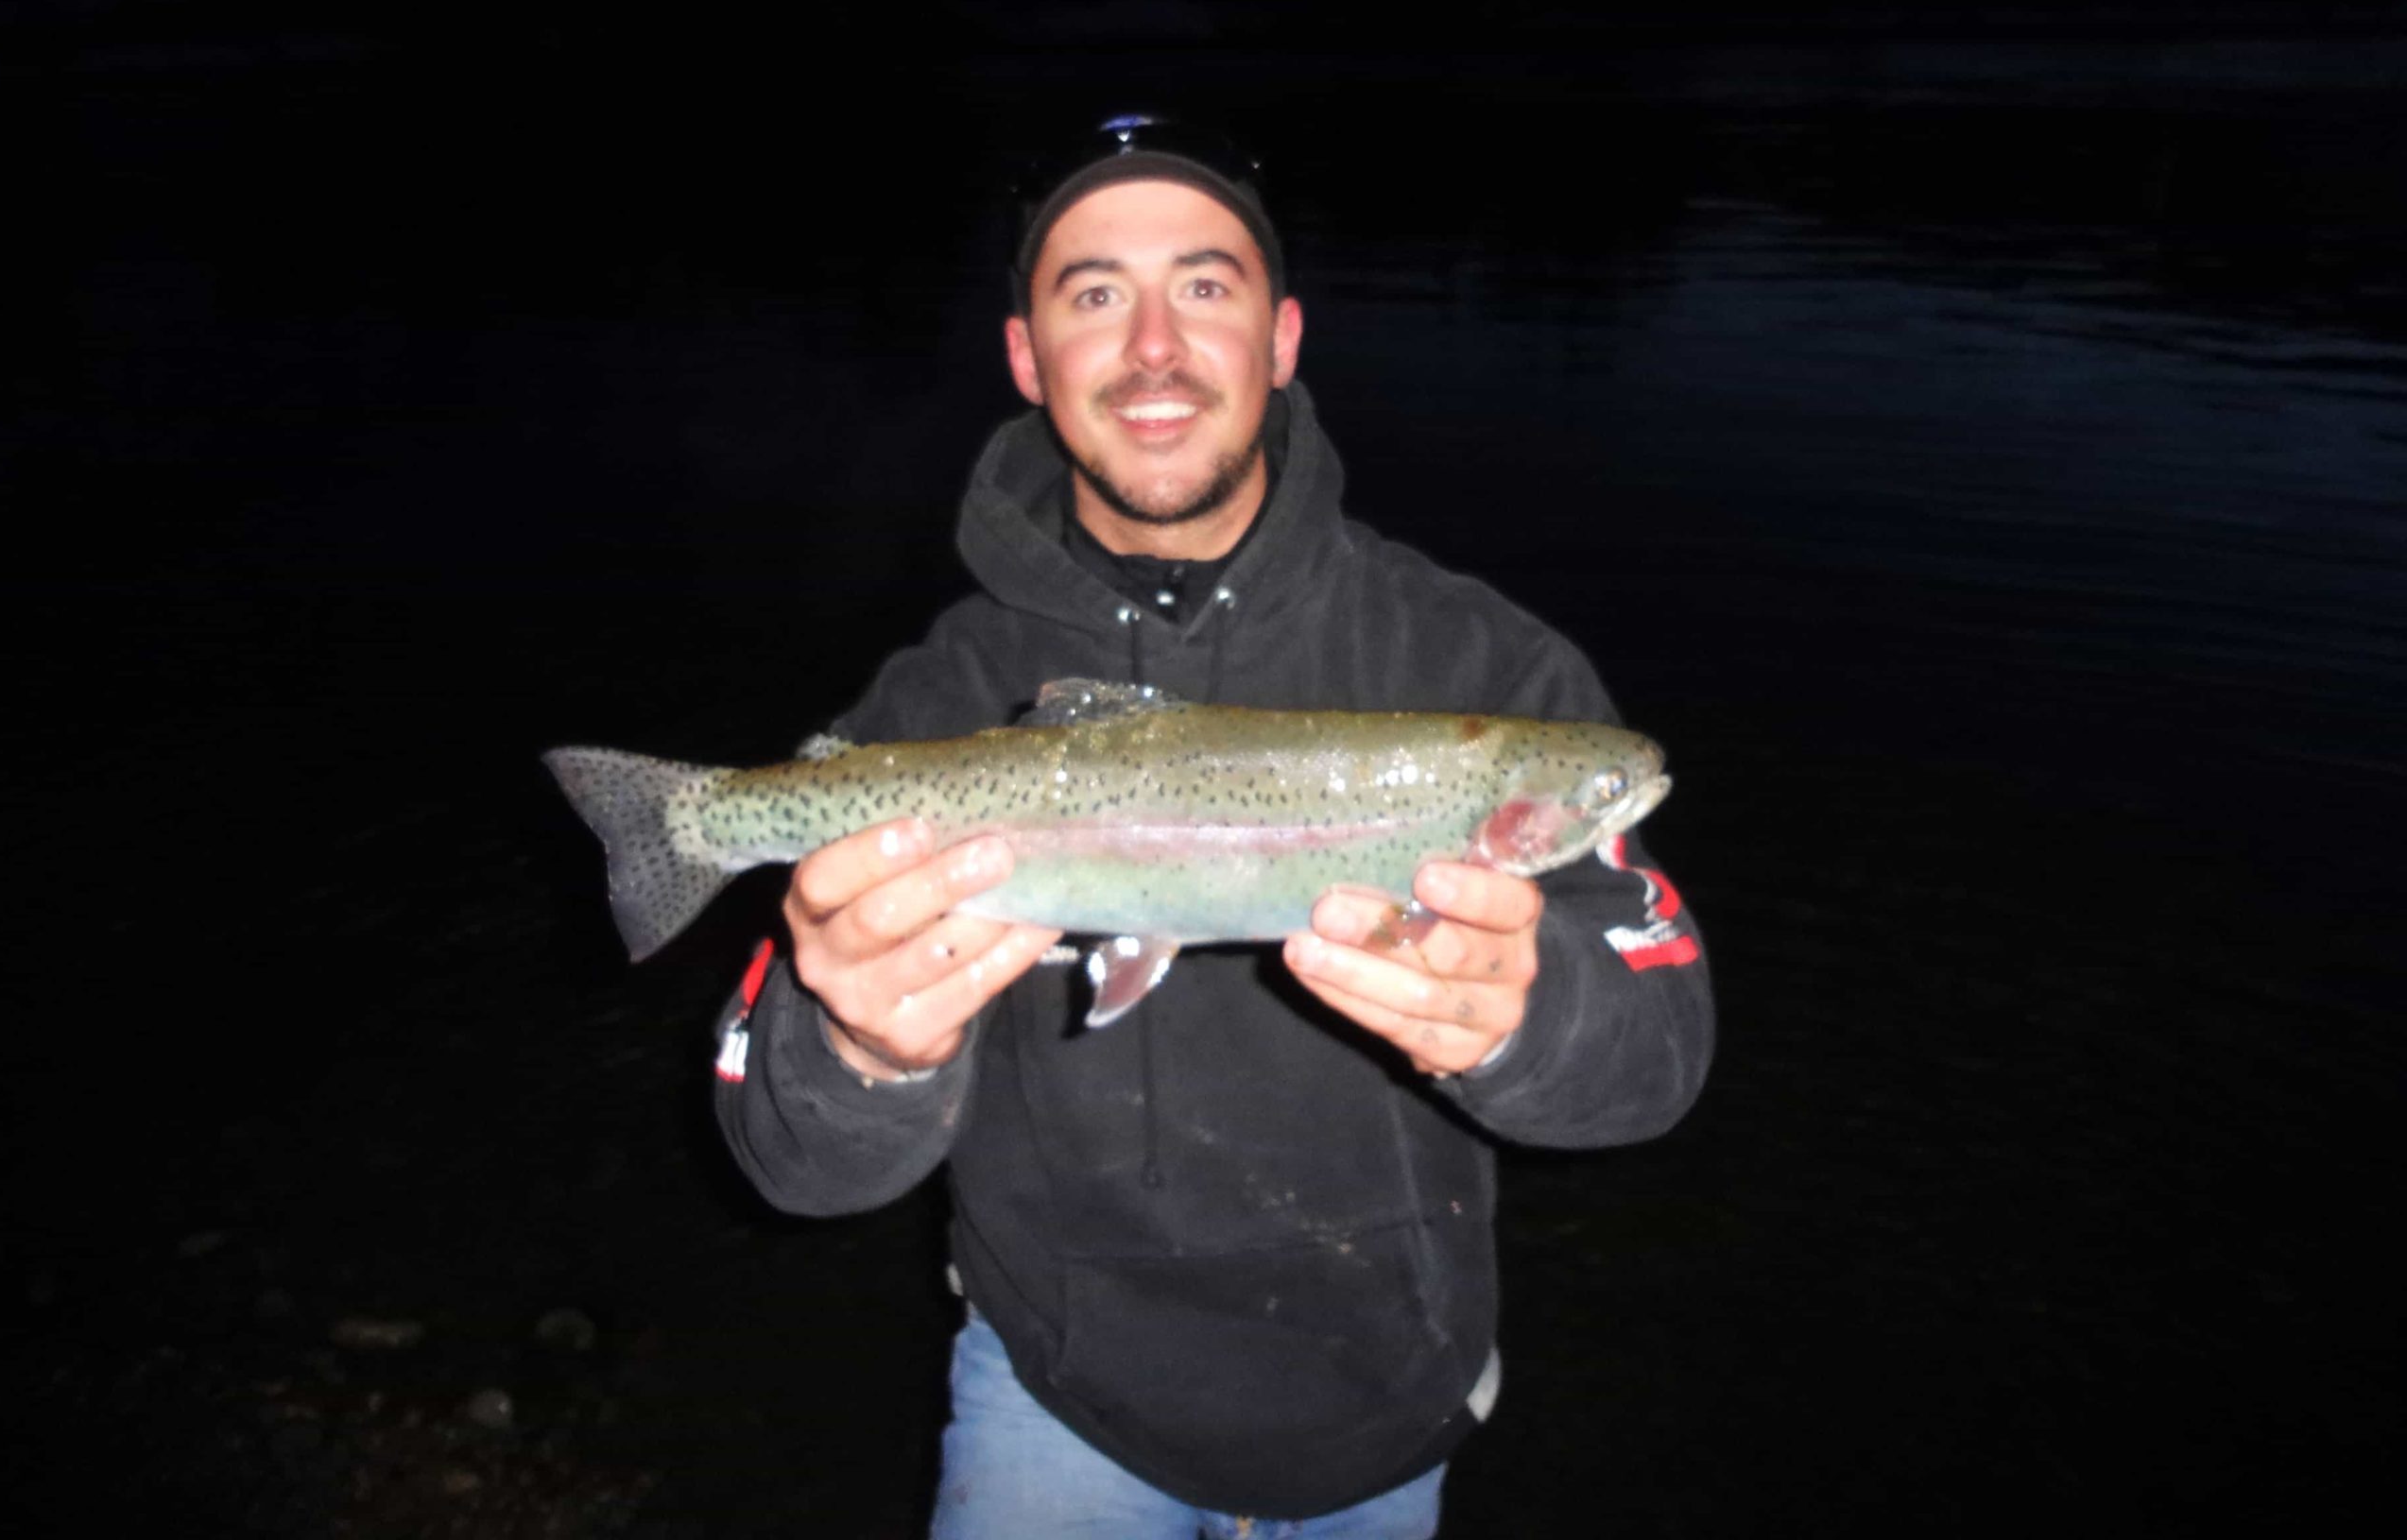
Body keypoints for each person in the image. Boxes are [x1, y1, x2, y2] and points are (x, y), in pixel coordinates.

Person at [713, 116, 1713, 1537]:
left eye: (1205, 286)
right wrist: (858, 1052)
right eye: (1095, 294)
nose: (1155, 348)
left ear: (1284, 334)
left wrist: (1522, 1024)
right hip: (1047, 1391)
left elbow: (1660, 1053)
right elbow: (784, 1155)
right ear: (1026, 358)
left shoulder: (1485, 667)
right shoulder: (934, 704)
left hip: (1385, 1401)